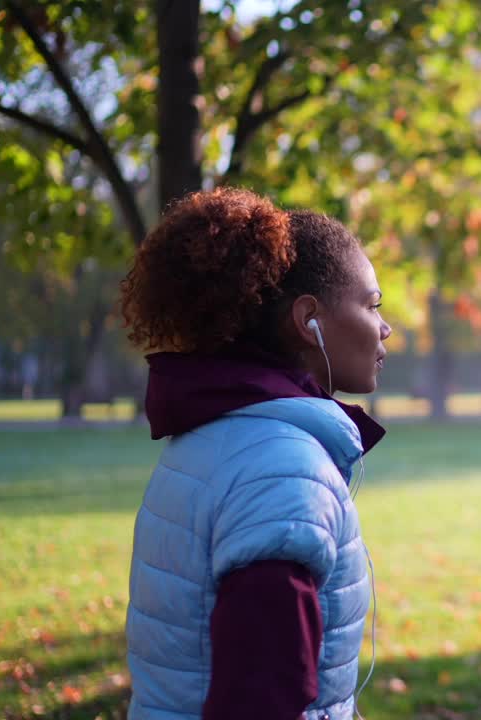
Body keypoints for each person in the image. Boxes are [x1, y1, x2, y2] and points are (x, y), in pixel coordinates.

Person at [119, 188, 391, 719]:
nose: (385, 327)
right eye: (372, 304)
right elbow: (264, 694)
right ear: (309, 319)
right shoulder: (281, 470)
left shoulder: (218, 435)